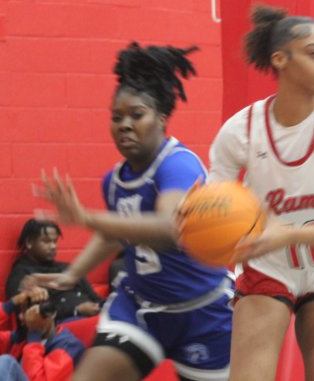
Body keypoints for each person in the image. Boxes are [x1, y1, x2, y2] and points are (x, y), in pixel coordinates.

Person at [33, 42, 233, 381]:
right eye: (117, 117)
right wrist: (73, 274)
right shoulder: (114, 181)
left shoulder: (178, 164)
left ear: (162, 118)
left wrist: (85, 217)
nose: (124, 124)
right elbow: (115, 234)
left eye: (136, 115)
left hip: (203, 312)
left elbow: (170, 229)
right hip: (141, 309)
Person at [208, 5, 314, 381]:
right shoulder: (241, 130)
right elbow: (213, 207)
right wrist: (203, 227)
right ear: (280, 59)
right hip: (268, 265)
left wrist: (288, 234)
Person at [6, 219, 103, 324]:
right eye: (46, 241)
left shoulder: (68, 269)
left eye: (55, 241)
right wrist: (76, 309)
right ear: (29, 242)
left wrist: (102, 306)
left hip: (96, 320)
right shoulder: (22, 274)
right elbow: (29, 316)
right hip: (61, 326)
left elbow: (95, 299)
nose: (53, 246)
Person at [0, 286, 85, 381]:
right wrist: (10, 304)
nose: (23, 317)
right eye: (22, 311)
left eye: (32, 312)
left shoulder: (69, 346)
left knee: (6, 362)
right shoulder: (21, 337)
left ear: (51, 314)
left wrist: (34, 338)